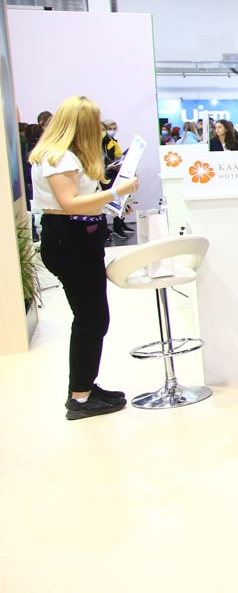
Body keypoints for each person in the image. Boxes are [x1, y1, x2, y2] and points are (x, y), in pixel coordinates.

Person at [28, 96, 140, 420]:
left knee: (92, 318)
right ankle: (79, 397)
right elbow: (70, 202)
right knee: (91, 319)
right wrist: (117, 192)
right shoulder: (59, 157)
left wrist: (109, 201)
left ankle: (84, 388)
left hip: (76, 239)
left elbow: (78, 200)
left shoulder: (63, 155)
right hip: (70, 241)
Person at [100, 119, 131, 237]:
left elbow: (117, 155)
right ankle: (105, 230)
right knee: (103, 203)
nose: (112, 131)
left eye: (114, 129)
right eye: (109, 129)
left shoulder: (112, 142)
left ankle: (118, 225)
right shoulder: (101, 144)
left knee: (119, 200)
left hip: (113, 174)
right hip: (104, 176)